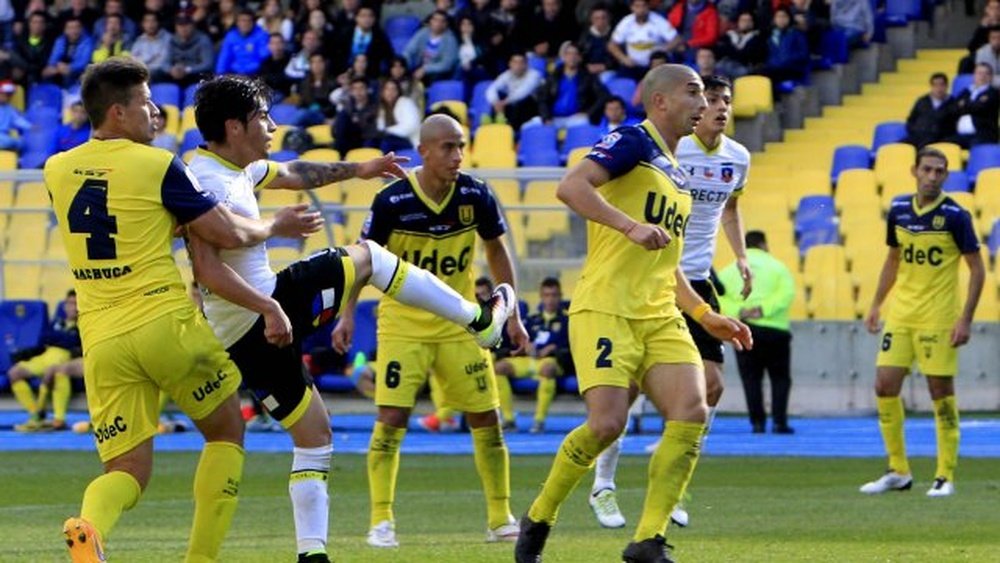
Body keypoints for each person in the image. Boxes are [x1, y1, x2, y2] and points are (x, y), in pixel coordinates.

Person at [185, 75, 516, 563]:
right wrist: (269, 302)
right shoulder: (205, 182)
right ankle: (479, 321)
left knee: (315, 436)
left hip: (246, 338)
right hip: (266, 308)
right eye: (263, 118)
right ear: (235, 126)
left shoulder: (236, 167)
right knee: (372, 258)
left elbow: (294, 171)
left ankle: (311, 555)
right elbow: (208, 271)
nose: (273, 126)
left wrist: (360, 168)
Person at [45, 56, 320, 563]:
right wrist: (275, 227)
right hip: (163, 322)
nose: (156, 112)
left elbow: (121, 214)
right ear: (118, 114)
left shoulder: (56, 169)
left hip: (101, 338)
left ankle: (88, 527)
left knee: (126, 469)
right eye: (146, 102)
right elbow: (226, 232)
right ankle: (201, 559)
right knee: (225, 430)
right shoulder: (157, 165)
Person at [514, 64, 752, 563]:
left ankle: (648, 539)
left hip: (660, 311)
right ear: (659, 101)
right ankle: (539, 515)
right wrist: (628, 226)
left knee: (692, 409)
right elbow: (572, 186)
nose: (704, 105)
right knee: (607, 424)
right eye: (693, 94)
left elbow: (670, 267)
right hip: (606, 307)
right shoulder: (632, 141)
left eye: (705, 96)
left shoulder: (679, 174)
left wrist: (706, 315)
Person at [334, 114, 529, 549]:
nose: (457, 155)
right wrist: (347, 315)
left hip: (462, 324)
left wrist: (511, 313)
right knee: (392, 418)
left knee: (487, 419)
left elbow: (497, 249)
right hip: (404, 325)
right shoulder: (392, 201)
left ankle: (500, 517)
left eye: (461, 146)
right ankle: (381, 521)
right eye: (447, 147)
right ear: (423, 151)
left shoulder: (476, 194)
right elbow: (362, 259)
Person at [587, 74, 753, 531]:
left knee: (712, 386)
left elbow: (732, 210)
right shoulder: (668, 149)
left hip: (697, 277)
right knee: (633, 388)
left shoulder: (738, 158)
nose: (716, 107)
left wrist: (740, 257)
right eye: (708, 97)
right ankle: (603, 483)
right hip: (652, 276)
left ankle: (673, 484)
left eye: (724, 100)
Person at [860, 146, 984, 498]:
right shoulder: (898, 209)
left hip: (939, 318)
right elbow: (893, 258)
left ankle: (945, 475)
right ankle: (898, 470)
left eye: (939, 172)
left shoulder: (956, 216)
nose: (931, 177)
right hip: (901, 314)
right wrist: (875, 304)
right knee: (884, 386)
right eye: (926, 170)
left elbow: (978, 269)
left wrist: (966, 319)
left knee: (940, 393)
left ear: (946, 175)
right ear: (915, 171)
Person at [718, 231, 796, 433]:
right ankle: (779, 422)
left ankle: (757, 423)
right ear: (763, 244)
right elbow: (787, 294)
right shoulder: (778, 267)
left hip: (743, 329)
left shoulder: (728, 271)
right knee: (780, 378)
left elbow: (719, 299)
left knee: (751, 378)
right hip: (775, 330)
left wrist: (740, 311)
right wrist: (763, 310)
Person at [495, 277, 572, 434]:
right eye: (547, 295)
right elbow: (517, 341)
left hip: (550, 362)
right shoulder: (531, 320)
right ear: (541, 297)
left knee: (548, 368)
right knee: (499, 368)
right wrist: (525, 347)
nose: (550, 299)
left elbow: (570, 347)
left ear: (560, 296)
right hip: (528, 361)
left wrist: (553, 348)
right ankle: (508, 419)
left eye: (554, 295)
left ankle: (539, 421)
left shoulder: (567, 321)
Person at [9, 289, 80, 432]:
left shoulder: (83, 324)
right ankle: (35, 412)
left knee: (55, 371)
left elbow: (74, 342)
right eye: (69, 303)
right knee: (14, 373)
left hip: (64, 356)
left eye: (75, 303)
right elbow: (44, 337)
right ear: (64, 306)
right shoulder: (57, 321)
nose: (71, 307)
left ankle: (56, 418)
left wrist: (57, 338)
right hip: (45, 355)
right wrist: (63, 338)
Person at [535, 42, 609, 129]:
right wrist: (546, 117)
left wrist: (588, 113)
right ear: (563, 57)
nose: (572, 57)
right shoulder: (553, 76)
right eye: (569, 54)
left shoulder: (588, 77)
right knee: (529, 126)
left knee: (584, 123)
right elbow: (542, 98)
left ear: (580, 58)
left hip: (575, 119)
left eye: (575, 54)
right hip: (553, 118)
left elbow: (604, 96)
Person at [608, 0, 683, 80]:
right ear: (632, 8)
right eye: (637, 6)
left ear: (648, 7)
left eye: (643, 6)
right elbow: (612, 45)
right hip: (633, 66)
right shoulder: (626, 22)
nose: (641, 10)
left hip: (653, 65)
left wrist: (663, 49)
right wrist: (623, 58)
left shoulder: (658, 20)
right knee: (624, 83)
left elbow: (676, 39)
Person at [484, 51, 542, 131]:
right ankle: (495, 126)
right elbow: (492, 88)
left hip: (532, 109)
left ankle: (511, 130)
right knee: (499, 97)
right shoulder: (507, 75)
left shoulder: (535, 75)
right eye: (515, 62)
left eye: (521, 63)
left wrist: (504, 103)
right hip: (511, 108)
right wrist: (496, 102)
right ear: (510, 64)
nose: (518, 66)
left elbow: (522, 92)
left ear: (526, 64)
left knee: (521, 101)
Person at [332, 5, 391, 79]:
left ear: (374, 19)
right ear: (356, 18)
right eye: (363, 16)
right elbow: (337, 57)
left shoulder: (380, 37)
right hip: (345, 75)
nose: (367, 19)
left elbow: (388, 57)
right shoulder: (345, 34)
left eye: (370, 16)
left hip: (370, 77)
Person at [948, 63, 1000, 148]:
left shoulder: (993, 92)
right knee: (945, 145)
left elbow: (980, 108)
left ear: (991, 77)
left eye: (986, 73)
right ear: (974, 75)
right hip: (960, 135)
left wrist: (964, 104)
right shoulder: (965, 91)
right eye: (979, 73)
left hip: (982, 135)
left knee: (977, 148)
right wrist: (972, 104)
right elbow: (953, 109)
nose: (982, 76)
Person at [403, 10, 459, 85]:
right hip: (419, 66)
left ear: (446, 24)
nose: (438, 23)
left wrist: (425, 69)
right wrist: (403, 64)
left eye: (442, 21)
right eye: (435, 20)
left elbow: (446, 64)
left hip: (437, 73)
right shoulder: (422, 33)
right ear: (430, 21)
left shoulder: (450, 40)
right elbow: (409, 50)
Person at [904, 73, 957, 148]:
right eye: (935, 85)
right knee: (898, 147)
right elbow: (911, 120)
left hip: (939, 139)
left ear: (946, 86)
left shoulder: (953, 103)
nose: (939, 88)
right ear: (931, 86)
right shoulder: (922, 101)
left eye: (941, 85)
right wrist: (914, 131)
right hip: (918, 136)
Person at [215, 8, 269, 76]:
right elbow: (224, 58)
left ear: (253, 23)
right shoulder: (231, 36)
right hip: (234, 73)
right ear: (237, 22)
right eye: (243, 20)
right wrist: (220, 75)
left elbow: (264, 56)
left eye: (249, 21)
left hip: (255, 74)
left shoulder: (261, 35)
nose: (246, 23)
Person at [41, 16, 93, 87]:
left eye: (77, 27)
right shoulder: (60, 40)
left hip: (79, 73)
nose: (74, 31)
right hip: (61, 70)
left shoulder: (88, 41)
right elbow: (53, 58)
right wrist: (56, 66)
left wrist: (69, 67)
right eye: (70, 28)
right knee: (46, 72)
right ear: (65, 30)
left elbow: (83, 62)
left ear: (81, 29)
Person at [333, 76, 378, 154]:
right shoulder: (348, 105)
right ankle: (340, 155)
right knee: (342, 117)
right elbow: (337, 129)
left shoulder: (374, 106)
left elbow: (371, 130)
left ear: (367, 90)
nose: (358, 91)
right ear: (351, 91)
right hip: (349, 139)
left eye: (361, 88)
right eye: (355, 89)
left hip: (366, 139)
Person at [168, 14, 215, 88]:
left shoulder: (203, 39)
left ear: (193, 26)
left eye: (186, 25)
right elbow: (165, 61)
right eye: (180, 25)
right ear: (176, 27)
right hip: (175, 76)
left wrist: (187, 70)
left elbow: (207, 64)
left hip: (197, 77)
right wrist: (171, 69)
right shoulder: (171, 40)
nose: (183, 28)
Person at [377, 79, 421, 152]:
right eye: (387, 89)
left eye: (393, 89)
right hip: (390, 140)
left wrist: (388, 131)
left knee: (387, 141)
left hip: (409, 141)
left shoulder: (406, 103)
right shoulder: (382, 108)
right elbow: (379, 128)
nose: (390, 92)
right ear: (382, 92)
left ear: (398, 92)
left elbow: (411, 127)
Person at [130, 12, 172, 82]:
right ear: (143, 24)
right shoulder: (139, 40)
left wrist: (144, 61)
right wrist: (152, 58)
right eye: (147, 21)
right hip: (142, 73)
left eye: (153, 21)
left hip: (161, 75)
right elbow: (133, 61)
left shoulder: (168, 38)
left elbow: (162, 63)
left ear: (158, 23)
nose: (150, 24)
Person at [0, 80, 30, 151]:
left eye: (9, 95)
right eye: (4, 94)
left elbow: (18, 120)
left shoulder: (10, 109)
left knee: (20, 143)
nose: (7, 97)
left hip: (4, 136)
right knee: (8, 142)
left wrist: (30, 127)